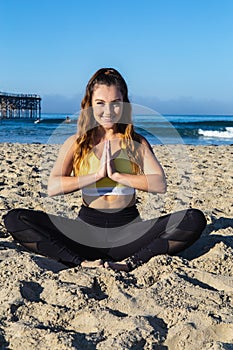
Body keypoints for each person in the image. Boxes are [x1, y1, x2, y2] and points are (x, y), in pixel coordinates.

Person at [3, 68, 206, 272]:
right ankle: (80, 262)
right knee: (15, 219)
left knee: (193, 218)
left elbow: (159, 184)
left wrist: (117, 175)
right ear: (89, 104)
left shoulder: (135, 142)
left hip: (129, 235)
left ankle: (129, 264)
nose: (108, 111)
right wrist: (96, 176)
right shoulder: (76, 143)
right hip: (85, 235)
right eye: (100, 103)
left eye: (115, 103)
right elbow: (53, 186)